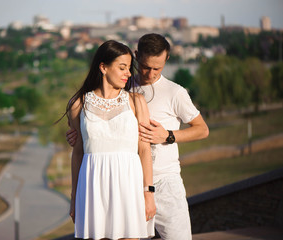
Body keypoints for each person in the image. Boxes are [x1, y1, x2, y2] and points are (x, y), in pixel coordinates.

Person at [67, 34, 209, 240]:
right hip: (125, 182)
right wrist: (79, 133)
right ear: (136, 57)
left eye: (157, 68)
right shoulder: (125, 85)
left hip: (164, 180)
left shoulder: (174, 92)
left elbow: (202, 130)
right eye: (144, 66)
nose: (150, 73)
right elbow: (87, 140)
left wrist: (168, 135)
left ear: (166, 61)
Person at [65, 40, 156, 240]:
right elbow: (78, 152)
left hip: (128, 185)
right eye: (122, 68)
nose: (129, 74)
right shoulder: (78, 104)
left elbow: (144, 150)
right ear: (103, 67)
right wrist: (74, 198)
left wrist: (148, 193)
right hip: (92, 188)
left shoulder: (136, 101)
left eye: (129, 68)